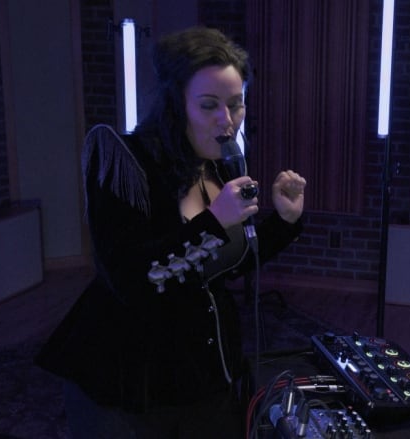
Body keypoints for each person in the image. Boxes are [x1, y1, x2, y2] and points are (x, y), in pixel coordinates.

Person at [36, 27, 306, 438]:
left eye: (237, 105)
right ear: (175, 105)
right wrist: (214, 220)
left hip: (204, 369)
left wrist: (283, 222)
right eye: (209, 105)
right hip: (129, 375)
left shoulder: (217, 163)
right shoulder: (122, 159)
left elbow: (224, 264)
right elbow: (131, 280)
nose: (227, 121)